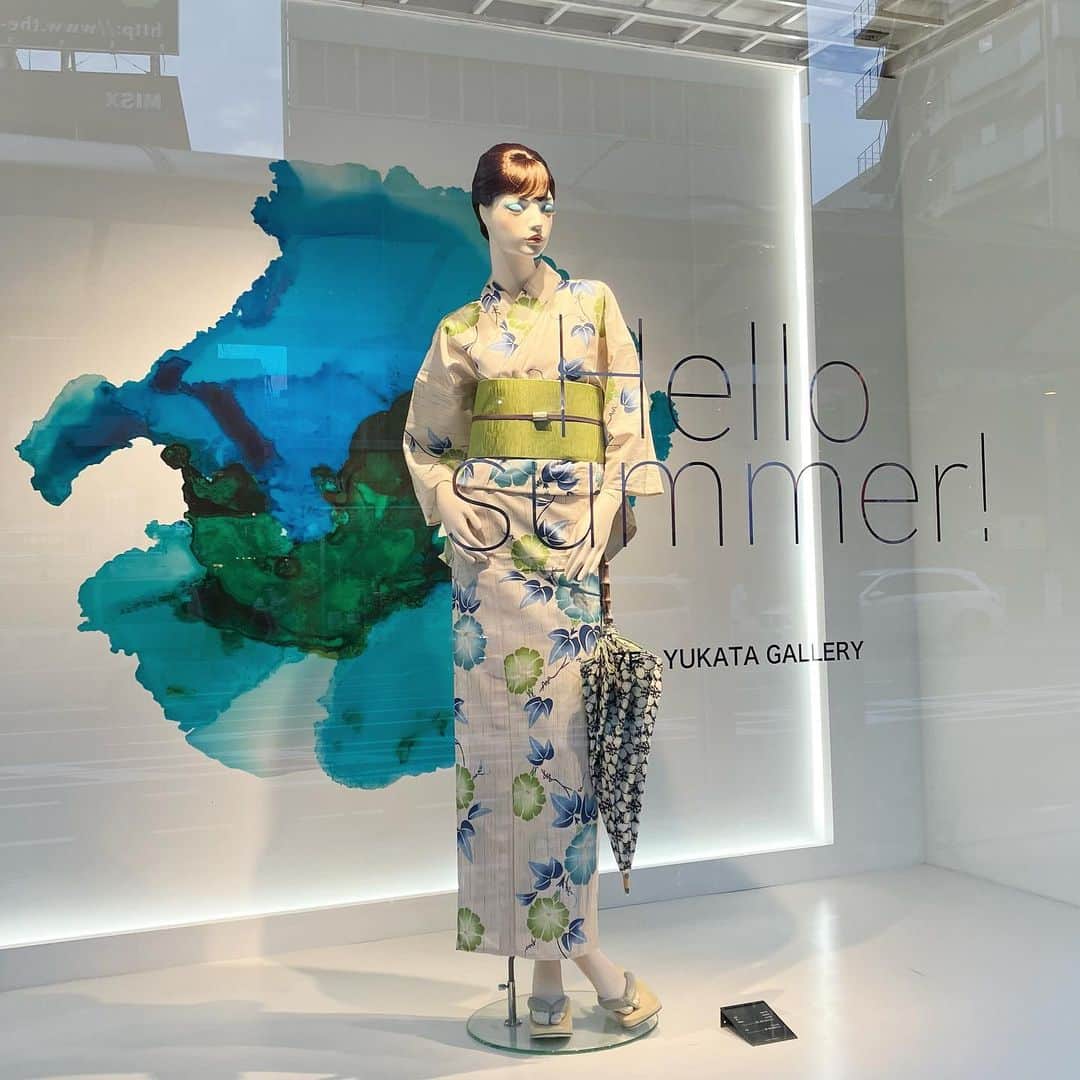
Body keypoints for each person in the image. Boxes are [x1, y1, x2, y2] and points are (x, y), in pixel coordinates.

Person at [402, 142, 664, 1038]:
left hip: (570, 548)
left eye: (546, 200)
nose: (535, 218)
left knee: (566, 755)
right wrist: (446, 503)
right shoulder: (460, 331)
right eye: (516, 202)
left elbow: (626, 424)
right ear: (481, 211)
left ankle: (571, 960)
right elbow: (426, 444)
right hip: (490, 553)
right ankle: (557, 969)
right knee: (498, 757)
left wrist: (612, 508)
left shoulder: (594, 305)